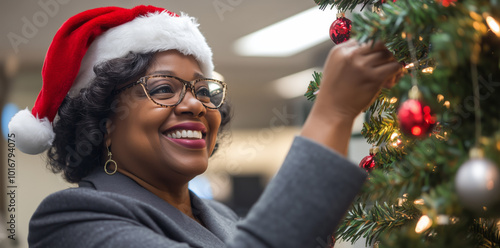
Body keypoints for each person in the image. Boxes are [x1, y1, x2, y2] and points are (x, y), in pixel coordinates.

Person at [8, 5, 401, 248]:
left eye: (202, 90)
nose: (196, 104)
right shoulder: (68, 220)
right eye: (164, 88)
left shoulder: (221, 216)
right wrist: (331, 113)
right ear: (104, 121)